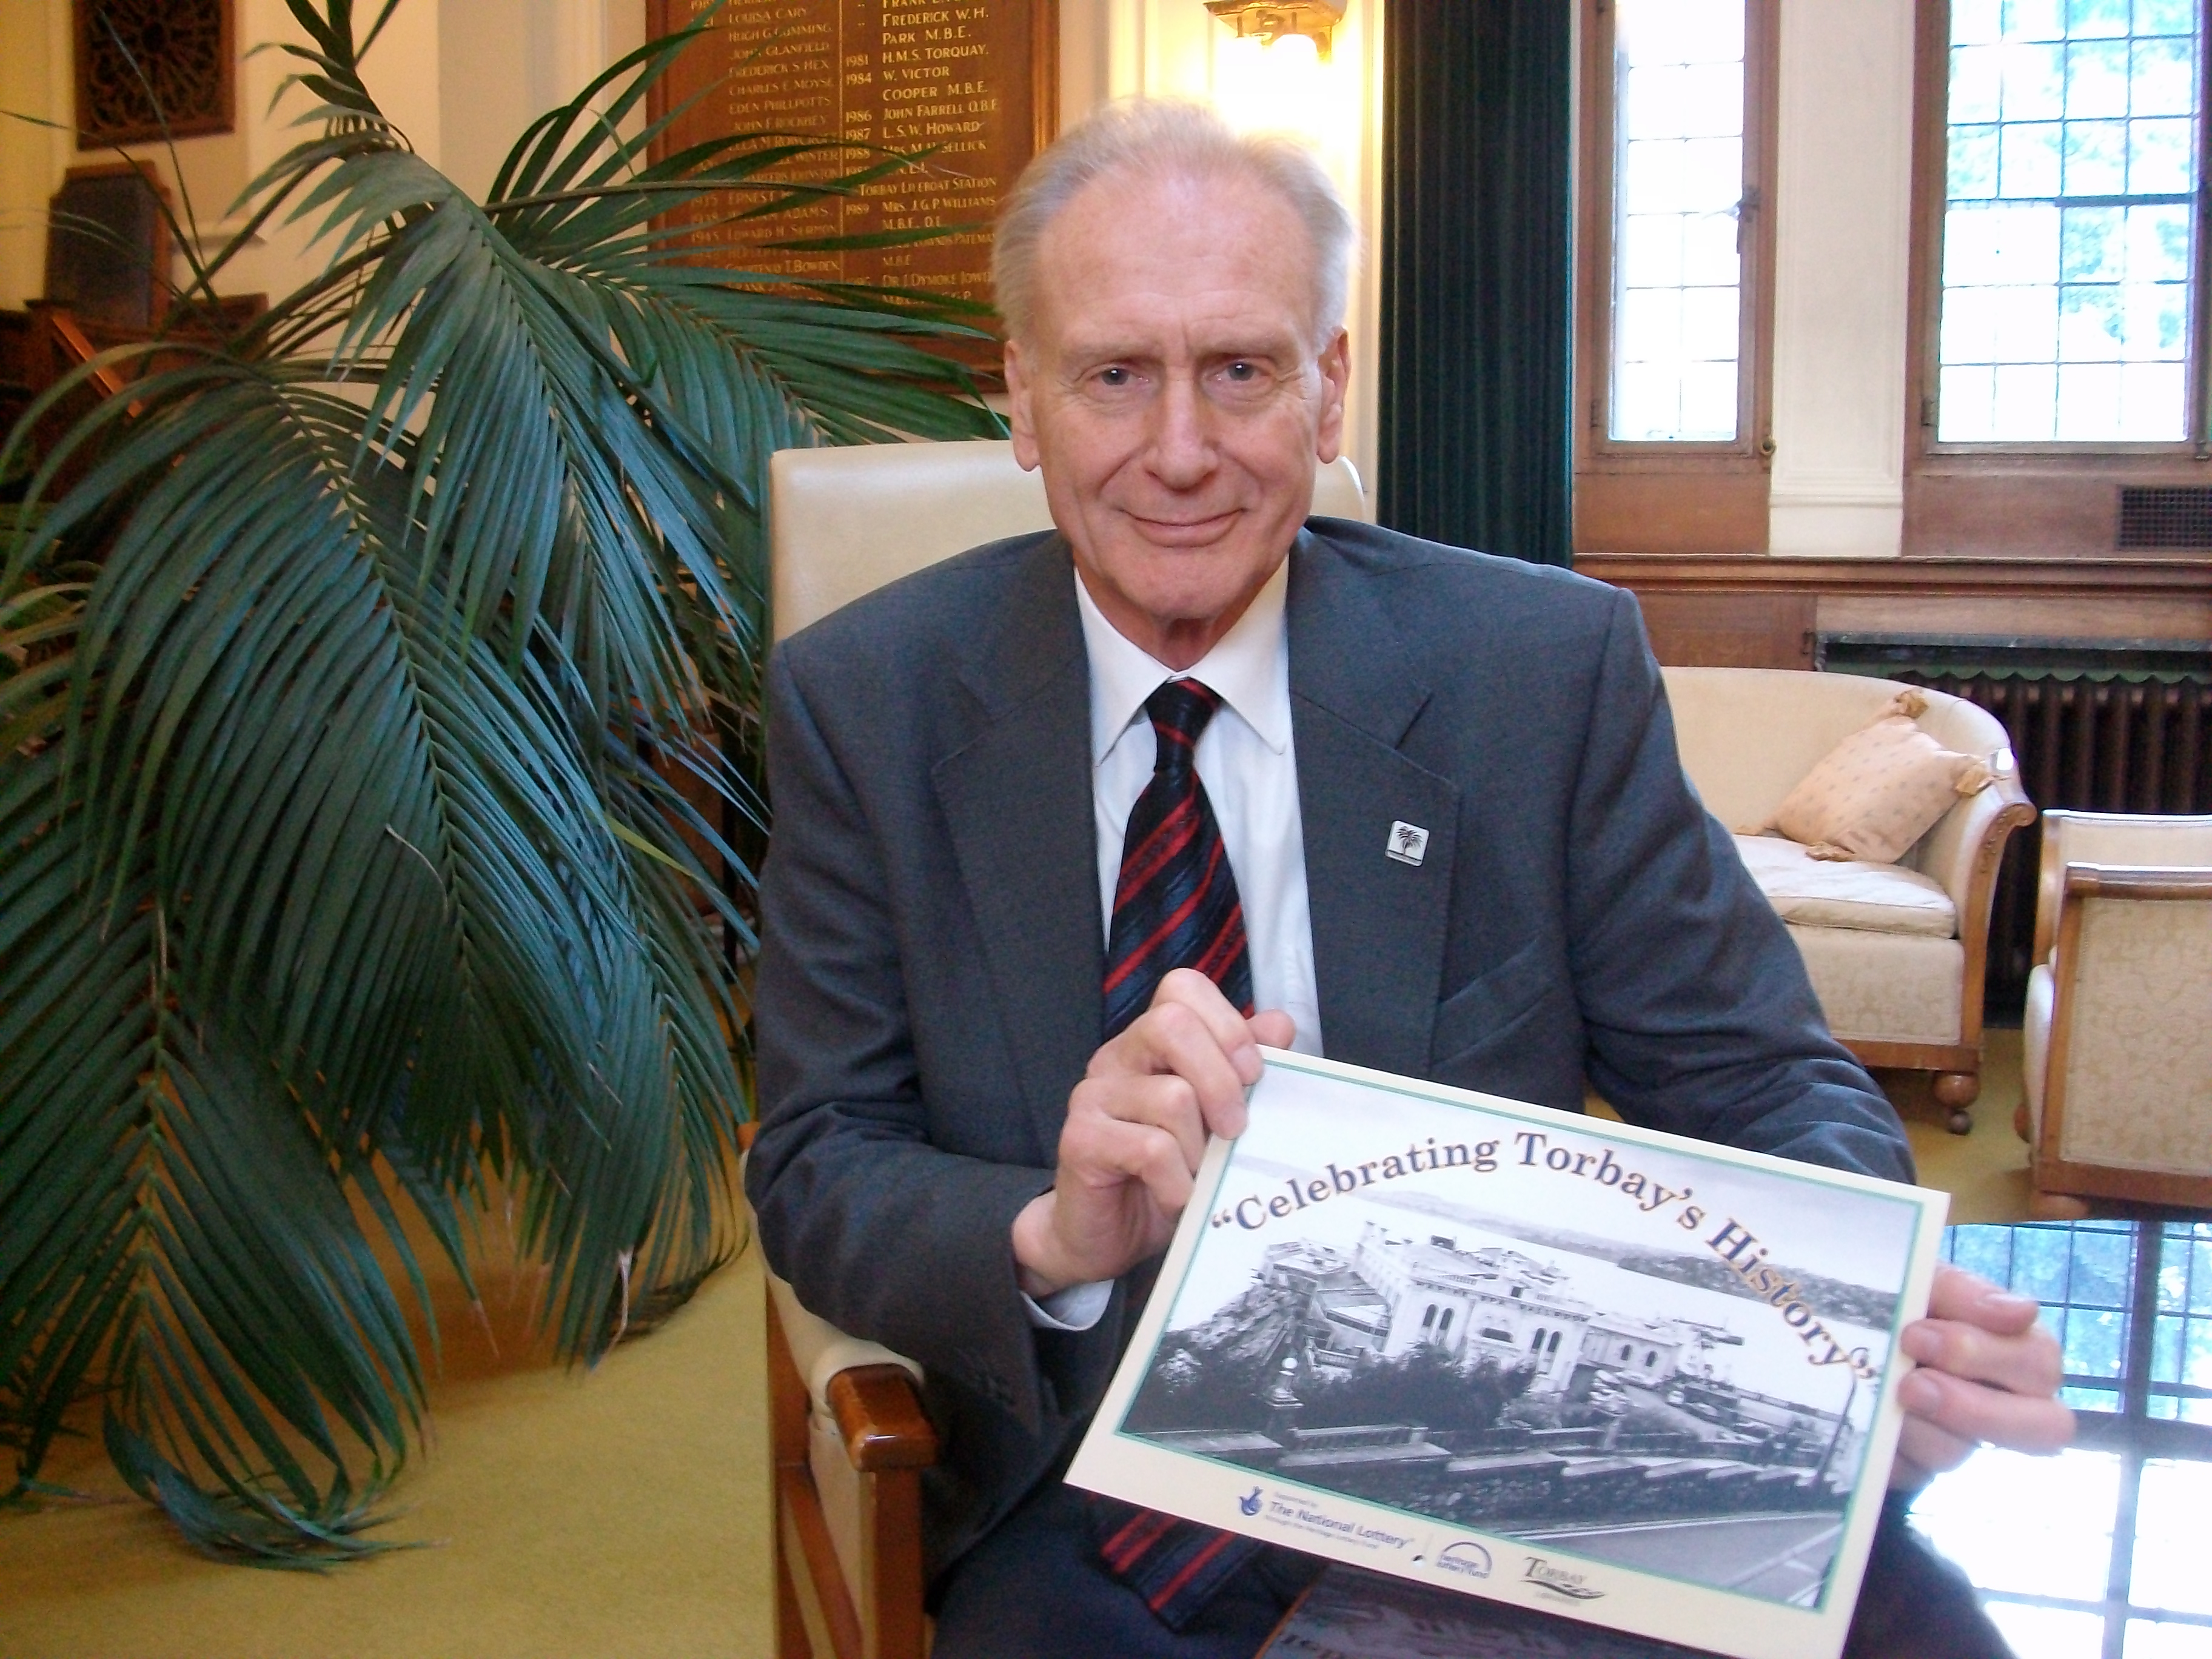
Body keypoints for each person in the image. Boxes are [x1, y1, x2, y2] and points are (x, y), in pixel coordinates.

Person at [744, 99, 2071, 1658]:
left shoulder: (1542, 673)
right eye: (1116, 375)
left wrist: (1853, 1332)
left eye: (1241, 369)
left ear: (1328, 389)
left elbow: (1763, 1079)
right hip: (1089, 1495)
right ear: (1023, 398)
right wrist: (1050, 1229)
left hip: (1516, 1468)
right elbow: (822, 1156)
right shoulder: (871, 702)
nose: (1180, 450)